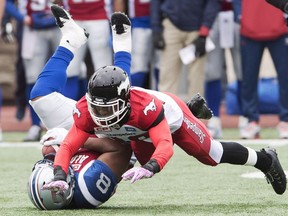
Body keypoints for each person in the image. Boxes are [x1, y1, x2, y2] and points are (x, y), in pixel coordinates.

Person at [42, 4, 286, 197]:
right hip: (135, 130)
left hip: (169, 118)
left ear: (125, 102)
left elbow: (165, 146)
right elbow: (69, 146)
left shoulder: (145, 108)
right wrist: (60, 175)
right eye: (98, 108)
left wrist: (150, 168)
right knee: (119, 154)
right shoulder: (88, 109)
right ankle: (190, 109)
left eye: (109, 109)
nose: (102, 115)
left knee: (212, 154)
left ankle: (265, 159)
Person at [27, 5, 133, 209]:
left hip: (85, 135)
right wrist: (68, 139)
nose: (47, 163)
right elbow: (119, 150)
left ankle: (70, 41)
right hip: (118, 134)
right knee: (112, 92)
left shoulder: (65, 178)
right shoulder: (87, 187)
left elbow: (54, 151)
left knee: (40, 97)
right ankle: (122, 48)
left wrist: (54, 150)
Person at [150, 0, 220, 99]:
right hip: (171, 25)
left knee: (197, 80)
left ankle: (195, 113)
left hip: (197, 30)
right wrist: (156, 29)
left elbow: (213, 3)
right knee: (167, 77)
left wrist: (204, 33)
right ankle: (166, 112)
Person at [239, 0, 288, 139]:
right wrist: (239, 15)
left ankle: (285, 120)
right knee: (248, 78)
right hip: (249, 28)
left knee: (285, 77)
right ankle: (251, 121)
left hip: (280, 29)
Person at [204, 0, 242, 139]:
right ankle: (214, 119)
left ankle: (245, 118)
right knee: (212, 71)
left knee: (242, 71)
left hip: (238, 16)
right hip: (212, 16)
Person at [114, 0, 160, 89]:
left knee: (158, 67)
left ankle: (135, 97)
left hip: (157, 23)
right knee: (140, 67)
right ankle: (134, 96)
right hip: (142, 23)